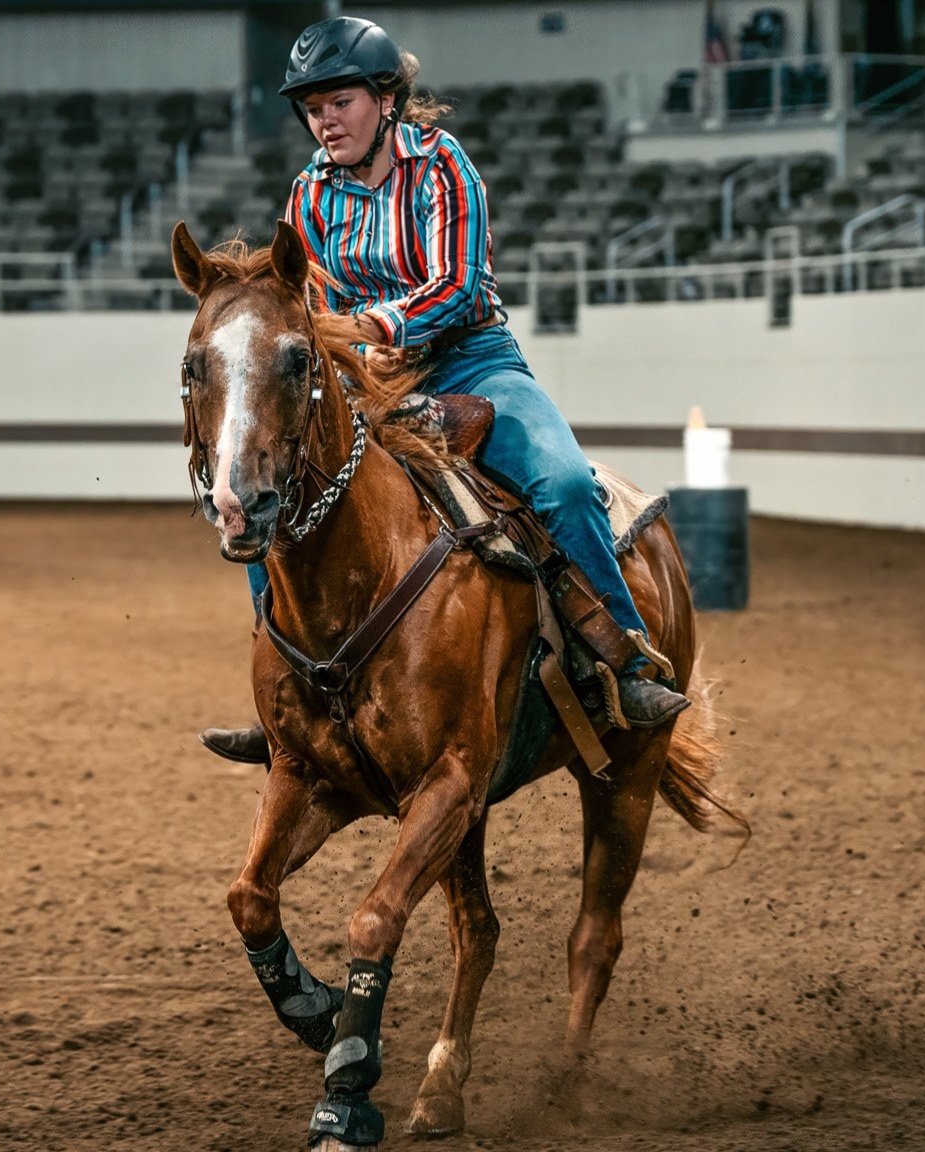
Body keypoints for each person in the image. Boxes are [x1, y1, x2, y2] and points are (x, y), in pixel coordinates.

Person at [198, 16, 690, 766]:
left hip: (473, 362)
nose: (323, 120)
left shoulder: (443, 166)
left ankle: (621, 661)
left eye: (340, 102)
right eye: (313, 107)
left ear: (387, 97)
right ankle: (287, 698)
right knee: (270, 496)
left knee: (561, 482)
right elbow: (302, 302)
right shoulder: (307, 193)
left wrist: (368, 325)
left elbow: (458, 288)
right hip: (365, 378)